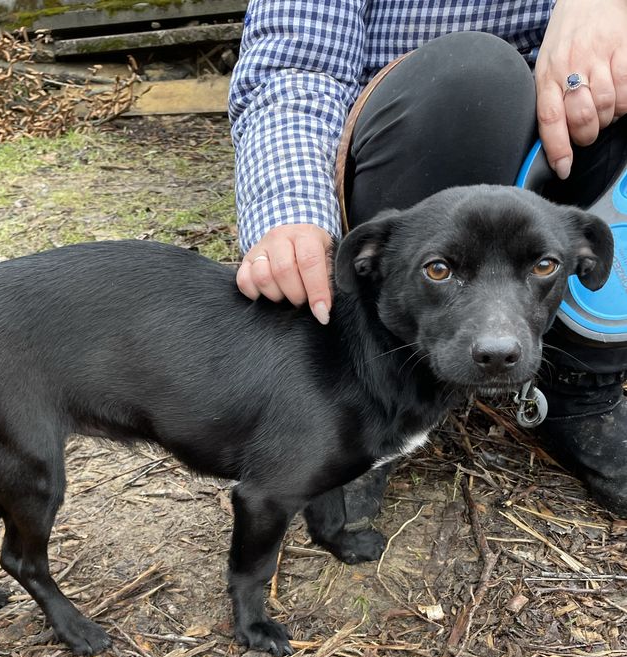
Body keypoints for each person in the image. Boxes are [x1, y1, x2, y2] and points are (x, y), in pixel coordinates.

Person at [228, 0, 627, 520]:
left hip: (580, 132)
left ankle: (579, 386)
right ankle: (370, 397)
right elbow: (297, 66)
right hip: (417, 138)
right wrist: (292, 209)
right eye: (443, 269)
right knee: (476, 78)